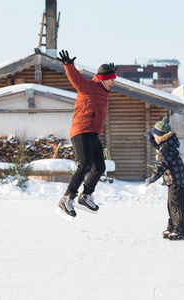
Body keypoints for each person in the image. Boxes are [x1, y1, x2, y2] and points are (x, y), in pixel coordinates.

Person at [56, 50, 116, 218]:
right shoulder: (89, 87)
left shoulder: (104, 92)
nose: (114, 83)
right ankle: (67, 198)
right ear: (104, 79)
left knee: (100, 167)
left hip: (93, 134)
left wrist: (109, 70)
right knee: (85, 165)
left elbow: (106, 78)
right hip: (81, 131)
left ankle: (85, 196)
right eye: (112, 79)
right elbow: (76, 79)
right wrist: (69, 65)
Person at [144, 116, 184, 240]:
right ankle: (173, 227)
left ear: (160, 135)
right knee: (171, 206)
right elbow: (160, 148)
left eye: (155, 134)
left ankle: (180, 231)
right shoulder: (167, 144)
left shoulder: (166, 148)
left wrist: (153, 177)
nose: (153, 135)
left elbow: (162, 164)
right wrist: (152, 140)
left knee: (176, 206)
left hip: (176, 181)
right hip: (175, 181)